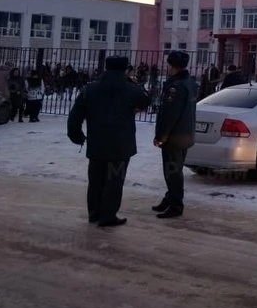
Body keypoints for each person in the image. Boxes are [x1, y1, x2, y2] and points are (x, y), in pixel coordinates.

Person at [67, 55, 150, 227]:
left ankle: (94, 213)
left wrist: (76, 136)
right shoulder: (131, 89)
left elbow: (75, 116)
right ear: (125, 69)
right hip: (120, 146)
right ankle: (108, 215)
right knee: (114, 181)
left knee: (95, 180)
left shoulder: (90, 89)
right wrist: (130, 82)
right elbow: (146, 100)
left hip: (97, 143)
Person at [152, 51, 197, 219]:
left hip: (174, 136)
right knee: (175, 170)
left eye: (169, 65)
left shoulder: (176, 87)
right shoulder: (190, 83)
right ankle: (169, 198)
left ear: (172, 66)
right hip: (185, 134)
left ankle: (176, 205)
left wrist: (161, 136)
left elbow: (170, 115)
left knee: (172, 172)